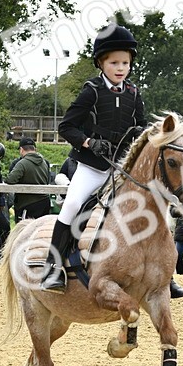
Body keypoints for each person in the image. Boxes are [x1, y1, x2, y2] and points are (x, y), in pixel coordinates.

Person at [41, 24, 148, 290]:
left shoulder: (134, 94)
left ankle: (162, 274)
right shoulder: (91, 91)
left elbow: (143, 126)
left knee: (148, 207)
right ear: (101, 63)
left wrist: (139, 132)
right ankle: (52, 268)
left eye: (125, 62)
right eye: (114, 62)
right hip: (92, 166)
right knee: (72, 205)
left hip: (121, 168)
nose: (121, 67)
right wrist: (89, 142)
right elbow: (66, 126)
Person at [5, 137, 52, 220]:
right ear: (35, 149)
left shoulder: (22, 163)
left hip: (27, 203)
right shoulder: (44, 162)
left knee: (24, 230)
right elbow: (48, 179)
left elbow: (10, 180)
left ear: (21, 149)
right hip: (44, 201)